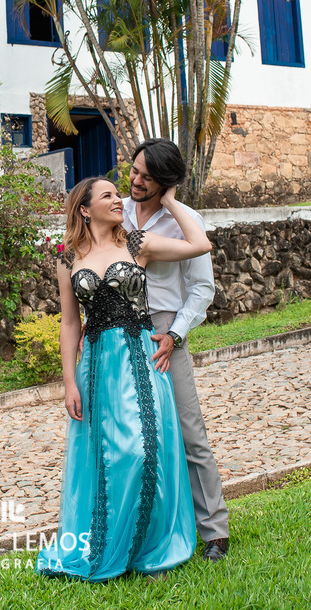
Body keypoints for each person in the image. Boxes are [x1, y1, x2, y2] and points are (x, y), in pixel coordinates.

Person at [36, 176, 210, 581]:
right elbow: (69, 324)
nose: (120, 200)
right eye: (109, 196)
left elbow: (199, 244)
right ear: (84, 209)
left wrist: (170, 201)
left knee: (145, 451)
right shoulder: (67, 259)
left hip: (139, 357)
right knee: (109, 456)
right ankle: (112, 543)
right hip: (97, 366)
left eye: (118, 194)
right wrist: (69, 383)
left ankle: (153, 550)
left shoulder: (137, 244)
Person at [121, 138, 230, 562]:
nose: (135, 181)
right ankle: (140, 532)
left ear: (166, 183)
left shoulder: (187, 223)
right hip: (122, 328)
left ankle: (215, 532)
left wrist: (175, 335)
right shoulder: (119, 212)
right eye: (134, 171)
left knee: (189, 432)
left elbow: (203, 288)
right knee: (131, 435)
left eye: (148, 178)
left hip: (165, 329)